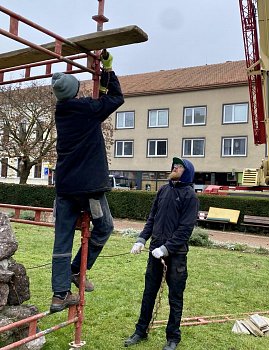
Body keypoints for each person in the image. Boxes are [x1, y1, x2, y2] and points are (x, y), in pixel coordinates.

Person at [50, 50, 124, 313]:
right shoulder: (85, 109)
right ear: (74, 91)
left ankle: (59, 295)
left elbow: (100, 101)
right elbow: (115, 99)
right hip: (89, 188)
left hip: (66, 187)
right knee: (104, 228)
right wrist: (109, 68)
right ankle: (76, 271)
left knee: (62, 240)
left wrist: (101, 76)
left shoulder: (63, 111)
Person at [125, 157, 199, 350]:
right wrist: (141, 240)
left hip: (176, 255)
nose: (175, 168)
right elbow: (152, 218)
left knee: (175, 298)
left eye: (180, 166)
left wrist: (166, 249)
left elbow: (185, 230)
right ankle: (140, 331)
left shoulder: (190, 196)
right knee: (149, 293)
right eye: (174, 165)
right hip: (154, 252)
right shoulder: (163, 191)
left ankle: (173, 338)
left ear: (187, 172)